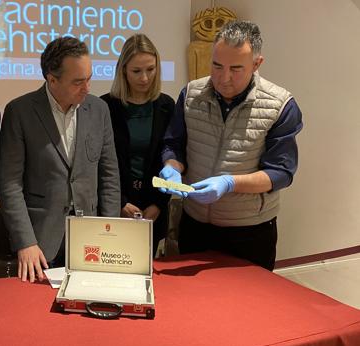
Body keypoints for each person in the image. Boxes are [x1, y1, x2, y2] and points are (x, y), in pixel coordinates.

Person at [159, 20, 303, 271]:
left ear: (257, 64)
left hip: (249, 231)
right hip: (195, 225)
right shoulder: (191, 94)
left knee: (247, 306)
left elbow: (281, 173)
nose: (223, 78)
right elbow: (174, 143)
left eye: (236, 68)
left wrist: (229, 183)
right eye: (216, 65)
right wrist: (172, 166)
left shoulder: (280, 105)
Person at [0, 37, 120, 282]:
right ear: (52, 79)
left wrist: (111, 233)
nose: (87, 88)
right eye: (77, 82)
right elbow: (10, 184)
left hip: (91, 237)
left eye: (89, 78)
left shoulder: (99, 110)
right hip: (39, 244)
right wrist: (26, 242)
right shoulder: (20, 112)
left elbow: (109, 176)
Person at [100, 33, 175, 246]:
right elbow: (99, 163)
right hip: (115, 206)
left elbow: (170, 158)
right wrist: (120, 203)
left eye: (150, 69)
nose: (144, 78)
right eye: (136, 71)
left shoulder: (166, 106)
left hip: (154, 205)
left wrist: (159, 203)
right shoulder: (105, 106)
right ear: (123, 70)